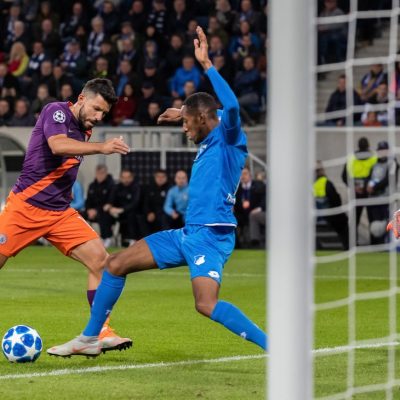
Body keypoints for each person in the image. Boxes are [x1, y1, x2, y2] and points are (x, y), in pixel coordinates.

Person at [47, 26, 267, 357]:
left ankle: (275, 347)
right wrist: (181, 112)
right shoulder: (209, 127)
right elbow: (209, 111)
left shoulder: (230, 138)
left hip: (212, 237)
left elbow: (231, 107)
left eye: (187, 123)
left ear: (203, 118)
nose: (184, 129)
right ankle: (90, 338)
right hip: (187, 233)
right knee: (115, 264)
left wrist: (207, 65)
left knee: (205, 304)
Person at [0, 78, 132, 353]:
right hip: (25, 208)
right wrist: (102, 147)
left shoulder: (84, 128)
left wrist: (64, 189)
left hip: (59, 213)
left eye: (104, 113)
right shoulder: (56, 111)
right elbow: (58, 146)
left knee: (102, 262)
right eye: (96, 109)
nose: (99, 117)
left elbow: (59, 166)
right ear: (82, 98)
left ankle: (99, 333)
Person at [342, 137, 377, 243]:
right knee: (372, 219)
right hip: (370, 192)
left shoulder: (351, 158)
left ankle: (352, 244)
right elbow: (377, 175)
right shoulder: (374, 157)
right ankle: (375, 244)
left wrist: (354, 187)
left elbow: (344, 176)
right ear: (368, 145)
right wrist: (370, 186)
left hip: (356, 192)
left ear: (358, 145)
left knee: (354, 220)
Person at [367, 141, 399, 244]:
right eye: (380, 150)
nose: (382, 152)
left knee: (387, 223)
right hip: (374, 199)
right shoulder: (375, 164)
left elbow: (388, 179)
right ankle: (375, 245)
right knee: (375, 225)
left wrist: (374, 188)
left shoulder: (393, 163)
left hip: (386, 199)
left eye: (384, 150)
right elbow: (369, 177)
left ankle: (387, 244)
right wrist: (367, 186)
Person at [314, 161, 349, 250]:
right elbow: (335, 200)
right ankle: (347, 246)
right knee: (343, 220)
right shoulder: (325, 182)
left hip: (317, 215)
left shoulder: (310, 184)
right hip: (328, 215)